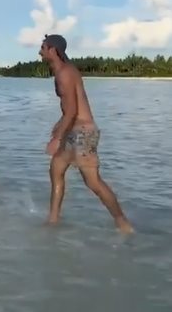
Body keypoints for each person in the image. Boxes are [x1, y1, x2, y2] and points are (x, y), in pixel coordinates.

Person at [39, 34, 133, 234]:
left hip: (83, 132)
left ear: (53, 50)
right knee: (56, 168)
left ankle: (123, 223)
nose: (40, 52)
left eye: (43, 48)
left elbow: (73, 111)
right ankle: (53, 220)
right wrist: (59, 125)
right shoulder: (66, 70)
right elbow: (70, 109)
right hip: (73, 129)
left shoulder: (64, 73)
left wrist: (57, 138)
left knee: (93, 181)